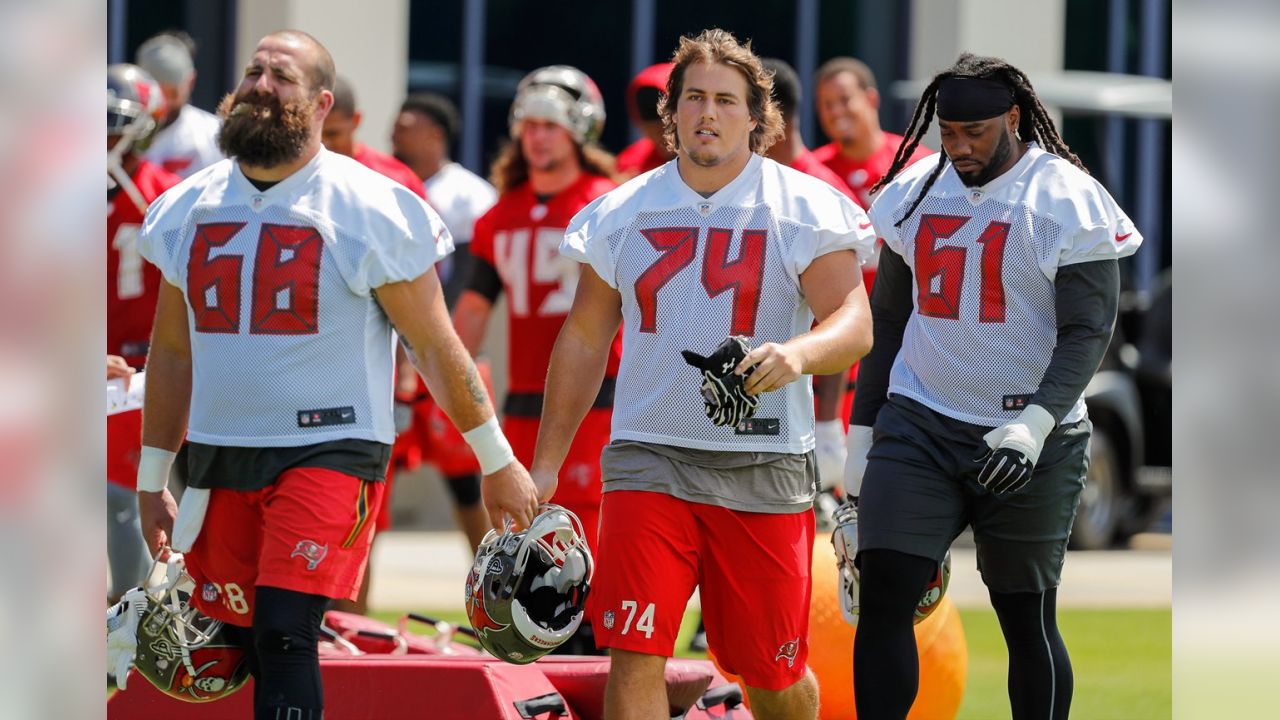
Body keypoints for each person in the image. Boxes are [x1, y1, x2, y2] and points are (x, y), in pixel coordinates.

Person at [134, 31, 538, 719]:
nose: (261, 84)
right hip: (218, 453)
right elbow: (172, 352)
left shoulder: (369, 205)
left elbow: (436, 347)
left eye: (281, 77)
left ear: (322, 104)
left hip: (332, 447)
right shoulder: (187, 205)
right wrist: (152, 477)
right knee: (232, 649)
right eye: (254, 71)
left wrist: (496, 459)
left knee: (286, 632)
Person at [534, 29, 874, 720]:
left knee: (770, 673)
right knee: (634, 649)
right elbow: (583, 338)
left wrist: (799, 354)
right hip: (646, 458)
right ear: (672, 112)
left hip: (762, 463)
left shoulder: (801, 204)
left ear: (758, 117)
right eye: (693, 98)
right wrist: (544, 466)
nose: (707, 113)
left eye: (725, 99)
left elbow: (854, 321)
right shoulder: (620, 211)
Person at [845, 53, 1142, 720]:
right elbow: (887, 319)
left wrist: (1034, 423)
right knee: (885, 591)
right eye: (947, 132)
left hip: (1034, 436)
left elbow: (1089, 329)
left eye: (974, 132)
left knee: (1024, 615)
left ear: (1013, 118)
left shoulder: (1065, 195)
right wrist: (860, 435)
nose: (959, 147)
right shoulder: (916, 190)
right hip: (920, 422)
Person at [451, 65, 619, 655]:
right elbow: (470, 313)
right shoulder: (499, 215)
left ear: (580, 130)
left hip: (599, 400)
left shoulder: (607, 203)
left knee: (591, 546)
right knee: (525, 553)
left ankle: (595, 659)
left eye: (551, 125)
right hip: (522, 401)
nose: (538, 137)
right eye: (530, 125)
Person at [317, 74, 442, 615]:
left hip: (372, 371)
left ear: (357, 124)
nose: (328, 147)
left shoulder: (393, 182)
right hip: (304, 362)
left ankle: (348, 632)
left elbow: (421, 297)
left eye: (338, 134)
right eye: (321, 134)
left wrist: (409, 381)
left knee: (362, 515)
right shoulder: (293, 174)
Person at [106, 63, 182, 604]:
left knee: (126, 504)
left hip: (141, 376)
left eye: (111, 124)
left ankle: (126, 630)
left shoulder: (167, 197)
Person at [392, 92, 498, 305]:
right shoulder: (386, 185)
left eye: (404, 129)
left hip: (437, 317)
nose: (393, 137)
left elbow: (469, 274)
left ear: (435, 135)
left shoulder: (470, 193)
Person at [813, 56, 932, 210]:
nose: (836, 112)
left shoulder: (917, 163)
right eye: (827, 104)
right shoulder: (814, 170)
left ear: (871, 99)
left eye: (845, 99)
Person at [135, 31, 223, 178]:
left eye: (172, 94)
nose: (164, 103)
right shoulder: (116, 134)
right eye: (155, 94)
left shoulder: (214, 136)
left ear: (190, 82)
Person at [615, 62, 676, 179]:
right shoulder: (630, 163)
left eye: (666, 116)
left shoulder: (711, 156)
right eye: (647, 115)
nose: (659, 128)